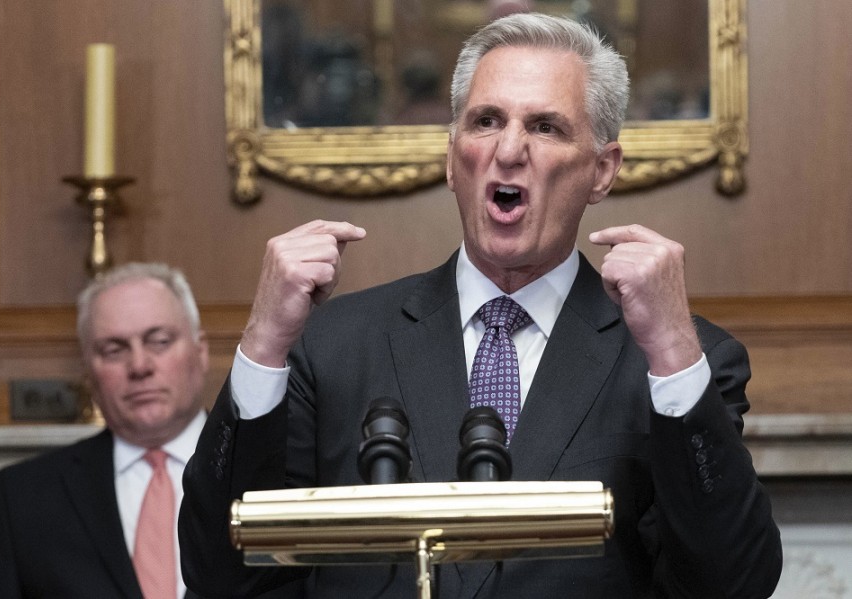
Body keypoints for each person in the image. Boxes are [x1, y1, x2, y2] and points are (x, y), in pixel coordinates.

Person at [179, 13, 782, 598]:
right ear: (451, 158)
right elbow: (222, 575)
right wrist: (262, 347)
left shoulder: (674, 361)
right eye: (486, 120)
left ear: (602, 171)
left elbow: (731, 583)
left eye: (546, 127)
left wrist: (675, 356)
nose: (510, 150)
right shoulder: (331, 346)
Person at [0, 263, 211, 599]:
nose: (139, 366)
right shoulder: (23, 498)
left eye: (159, 341)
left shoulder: (268, 469)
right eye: (114, 350)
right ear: (88, 372)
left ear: (201, 352)